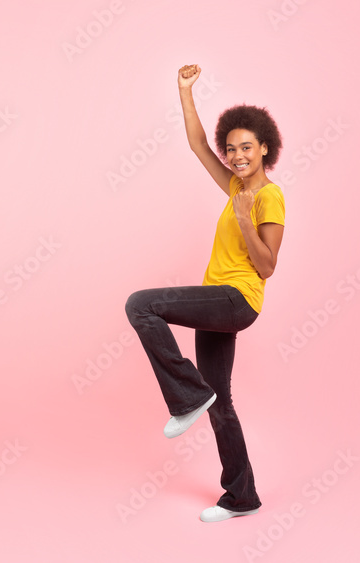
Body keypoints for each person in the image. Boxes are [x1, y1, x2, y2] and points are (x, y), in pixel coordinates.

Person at [124, 63, 286, 523]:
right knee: (221, 400)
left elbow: (268, 266)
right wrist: (185, 92)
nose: (237, 156)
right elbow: (198, 144)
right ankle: (242, 496)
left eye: (246, 148)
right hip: (220, 300)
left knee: (141, 305)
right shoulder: (236, 185)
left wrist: (242, 217)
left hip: (238, 300)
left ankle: (187, 396)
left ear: (264, 149)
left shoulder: (267, 197)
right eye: (232, 149)